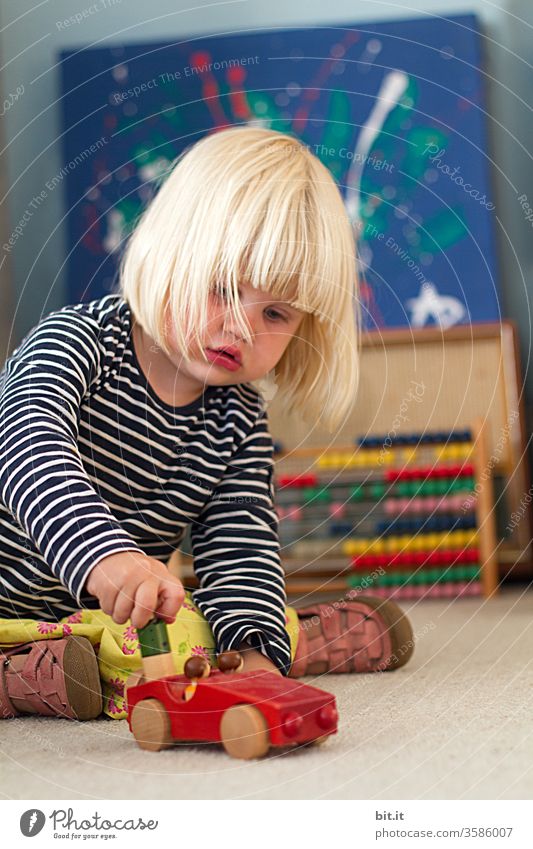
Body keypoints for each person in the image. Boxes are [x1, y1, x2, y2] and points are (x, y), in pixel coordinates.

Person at [0, 127, 413, 722]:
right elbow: (26, 447)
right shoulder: (77, 341)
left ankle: (275, 643)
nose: (243, 328)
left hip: (99, 622)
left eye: (274, 312)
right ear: (169, 253)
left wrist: (252, 651)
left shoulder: (238, 416)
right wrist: (102, 555)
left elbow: (240, 544)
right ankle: (29, 677)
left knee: (194, 625)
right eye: (222, 288)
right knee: (147, 642)